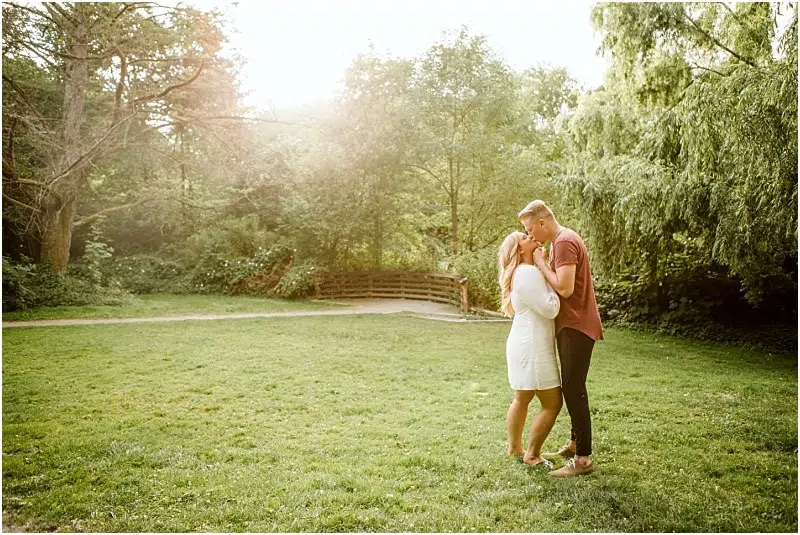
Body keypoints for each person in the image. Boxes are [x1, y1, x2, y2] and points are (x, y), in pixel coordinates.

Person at [517, 200, 603, 478]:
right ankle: (575, 444)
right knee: (573, 387)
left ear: (543, 222)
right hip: (573, 325)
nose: (530, 236)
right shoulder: (562, 242)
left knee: (572, 389)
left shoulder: (564, 242)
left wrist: (540, 262)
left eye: (531, 229)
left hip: (576, 326)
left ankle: (583, 460)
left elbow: (565, 288)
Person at [498, 231, 562, 468]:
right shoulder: (527, 272)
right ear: (519, 250)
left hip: (523, 342)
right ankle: (532, 455)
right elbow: (550, 309)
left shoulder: (520, 273)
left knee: (522, 397)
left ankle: (515, 447)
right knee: (553, 403)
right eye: (525, 237)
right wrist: (550, 279)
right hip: (533, 347)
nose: (531, 237)